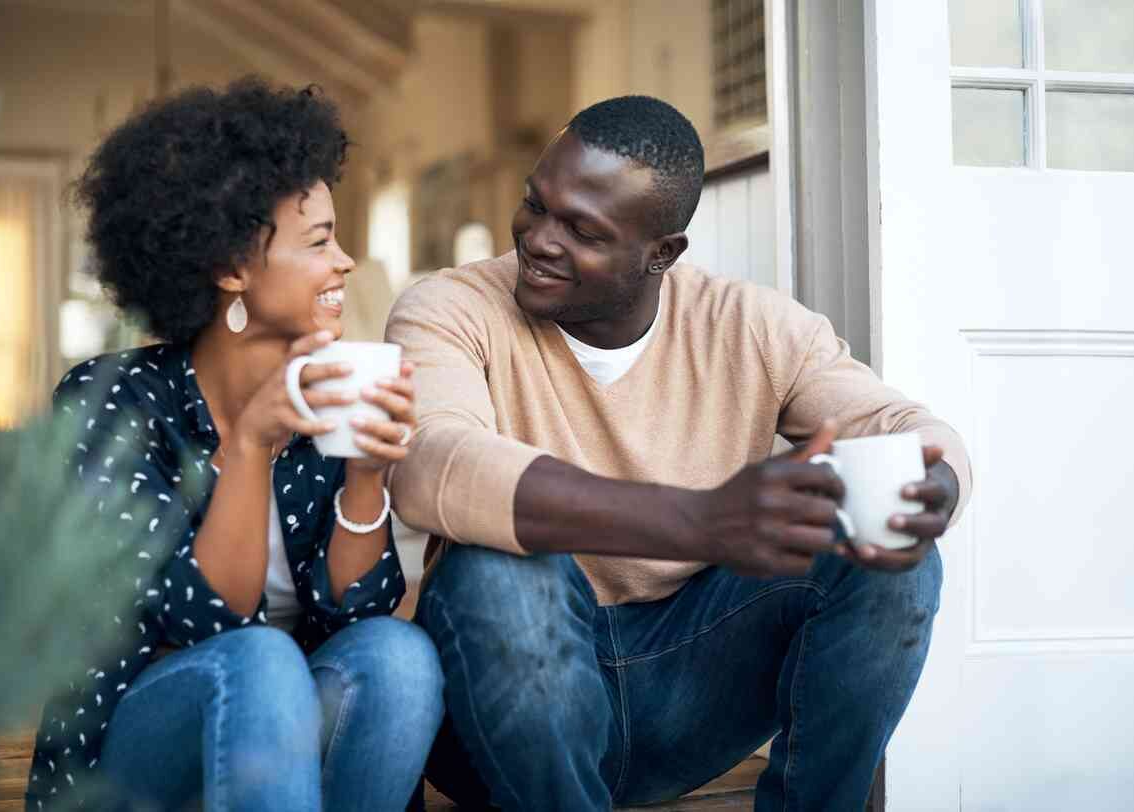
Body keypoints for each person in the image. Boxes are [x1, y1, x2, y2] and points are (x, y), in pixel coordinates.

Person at [385, 95, 972, 812]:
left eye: (582, 229)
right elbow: (433, 463)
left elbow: (905, 427)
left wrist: (933, 485)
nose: (538, 239)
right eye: (535, 206)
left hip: (687, 694)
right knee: (496, 567)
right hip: (500, 719)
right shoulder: (448, 307)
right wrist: (697, 520)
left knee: (889, 556)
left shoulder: (751, 326)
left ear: (661, 252)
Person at [27, 79, 443, 812]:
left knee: (399, 656)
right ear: (229, 269)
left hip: (284, 764)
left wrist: (366, 474)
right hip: (138, 765)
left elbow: (356, 614)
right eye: (319, 241)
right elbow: (202, 621)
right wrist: (251, 443)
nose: (344, 262)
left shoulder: (326, 393)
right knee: (256, 661)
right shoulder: (114, 403)